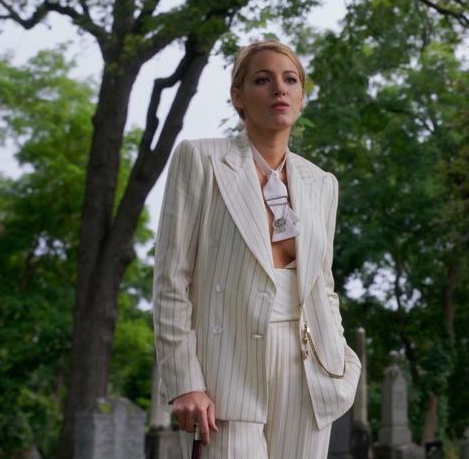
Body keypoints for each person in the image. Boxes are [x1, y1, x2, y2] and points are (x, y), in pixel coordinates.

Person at [153, 39, 360, 458]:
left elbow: (323, 285)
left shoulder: (322, 184)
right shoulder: (200, 160)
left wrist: (338, 359)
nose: (279, 90)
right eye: (262, 80)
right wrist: (184, 381)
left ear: (301, 96)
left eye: (290, 80)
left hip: (307, 373)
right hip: (223, 369)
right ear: (238, 97)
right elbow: (172, 279)